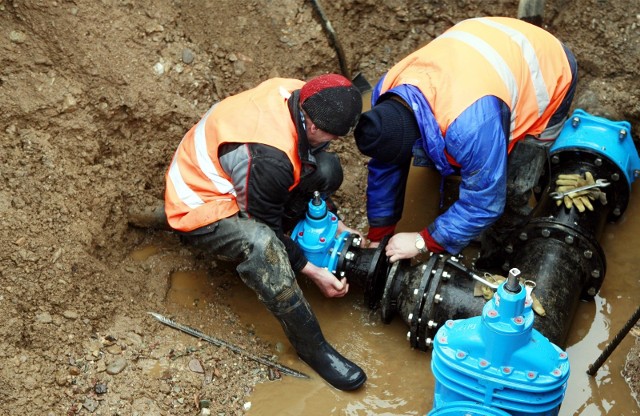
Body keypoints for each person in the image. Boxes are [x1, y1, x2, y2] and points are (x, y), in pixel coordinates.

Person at [164, 74, 367, 390]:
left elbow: (300, 163)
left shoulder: (299, 92)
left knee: (327, 169)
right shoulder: (270, 159)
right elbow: (267, 229)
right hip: (199, 206)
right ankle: (311, 347)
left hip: (239, 170)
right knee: (263, 247)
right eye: (333, 136)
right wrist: (313, 272)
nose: (334, 141)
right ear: (313, 126)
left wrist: (334, 223)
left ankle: (295, 220)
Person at [353, 16, 578, 269]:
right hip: (487, 47)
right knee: (465, 158)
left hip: (549, 69)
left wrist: (422, 241)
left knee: (514, 187)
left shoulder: (470, 127)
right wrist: (379, 234)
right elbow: (385, 166)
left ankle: (497, 259)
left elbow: (487, 202)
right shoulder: (386, 89)